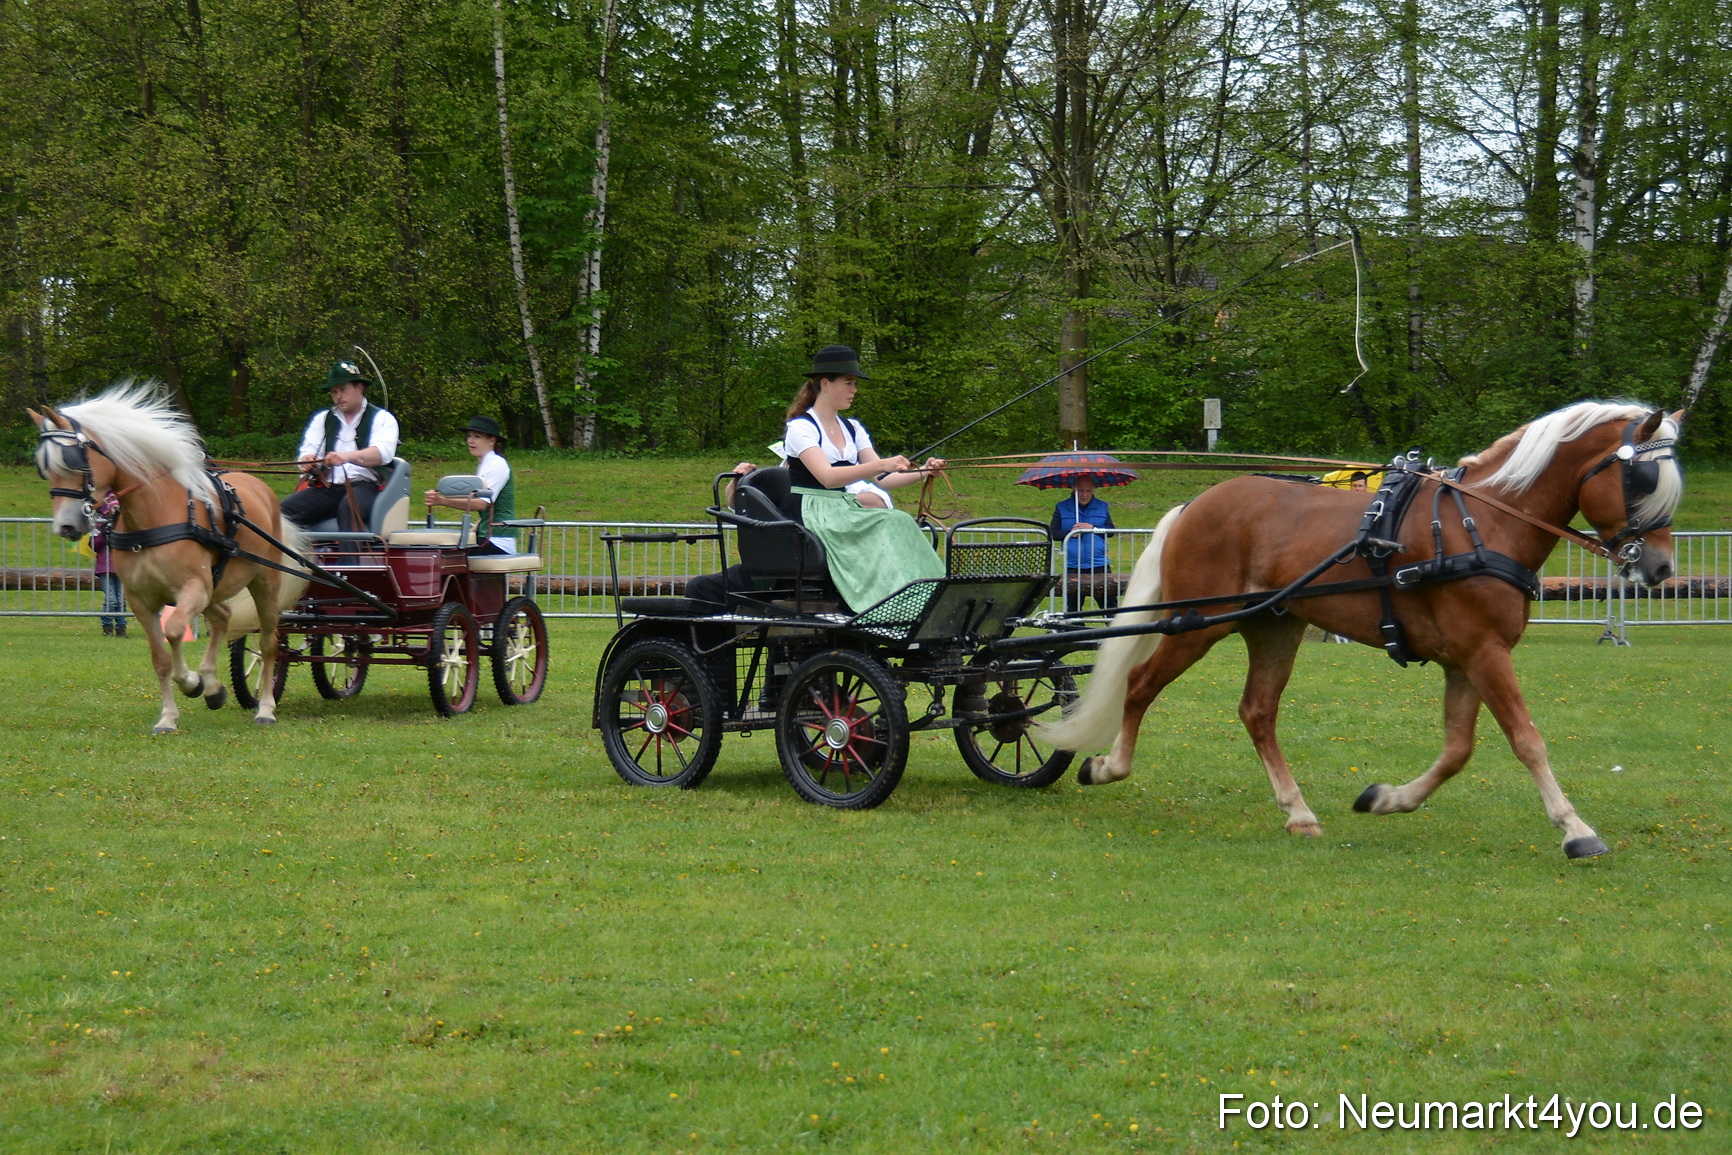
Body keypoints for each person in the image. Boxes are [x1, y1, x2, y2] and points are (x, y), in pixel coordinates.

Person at [783, 344, 946, 611]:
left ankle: (926, 597)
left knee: (901, 520)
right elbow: (827, 477)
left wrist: (924, 471)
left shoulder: (852, 428)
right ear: (825, 383)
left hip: (843, 507)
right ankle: (881, 602)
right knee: (891, 521)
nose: (854, 390)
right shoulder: (801, 428)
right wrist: (881, 464)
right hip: (814, 510)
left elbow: (884, 479)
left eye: (855, 384)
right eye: (848, 383)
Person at [281, 359, 401, 532]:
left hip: (365, 487)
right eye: (334, 391)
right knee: (283, 512)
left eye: (343, 390)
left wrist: (346, 457)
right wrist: (307, 461)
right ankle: (297, 558)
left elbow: (381, 454)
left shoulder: (382, 418)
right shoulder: (323, 419)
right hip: (328, 489)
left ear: (359, 388)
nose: (338, 396)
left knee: (349, 507)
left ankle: (349, 559)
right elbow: (307, 452)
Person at [425, 415, 515, 552]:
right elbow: (488, 512)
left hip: (498, 540)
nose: (470, 441)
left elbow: (482, 504)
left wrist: (442, 500)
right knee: (445, 551)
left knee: (443, 557)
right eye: (469, 436)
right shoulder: (486, 464)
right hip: (487, 536)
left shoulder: (497, 464)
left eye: (477, 436)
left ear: (492, 440)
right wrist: (470, 533)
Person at [1050, 475, 1118, 614]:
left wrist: (1092, 528)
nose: (1084, 495)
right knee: (1073, 609)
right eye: (1080, 491)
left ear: (1093, 491)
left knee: (1109, 606)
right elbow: (1053, 532)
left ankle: (1116, 633)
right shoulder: (1062, 507)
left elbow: (1111, 531)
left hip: (1099, 564)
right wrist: (1070, 533)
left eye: (1088, 491)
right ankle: (1074, 633)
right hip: (1072, 565)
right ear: (1073, 489)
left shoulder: (1102, 506)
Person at [90, 493, 126, 637]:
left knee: (121, 600)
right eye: (113, 507)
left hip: (121, 568)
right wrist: (103, 535)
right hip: (105, 567)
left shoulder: (124, 526)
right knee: (111, 599)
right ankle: (107, 625)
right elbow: (93, 545)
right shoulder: (100, 524)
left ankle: (121, 626)